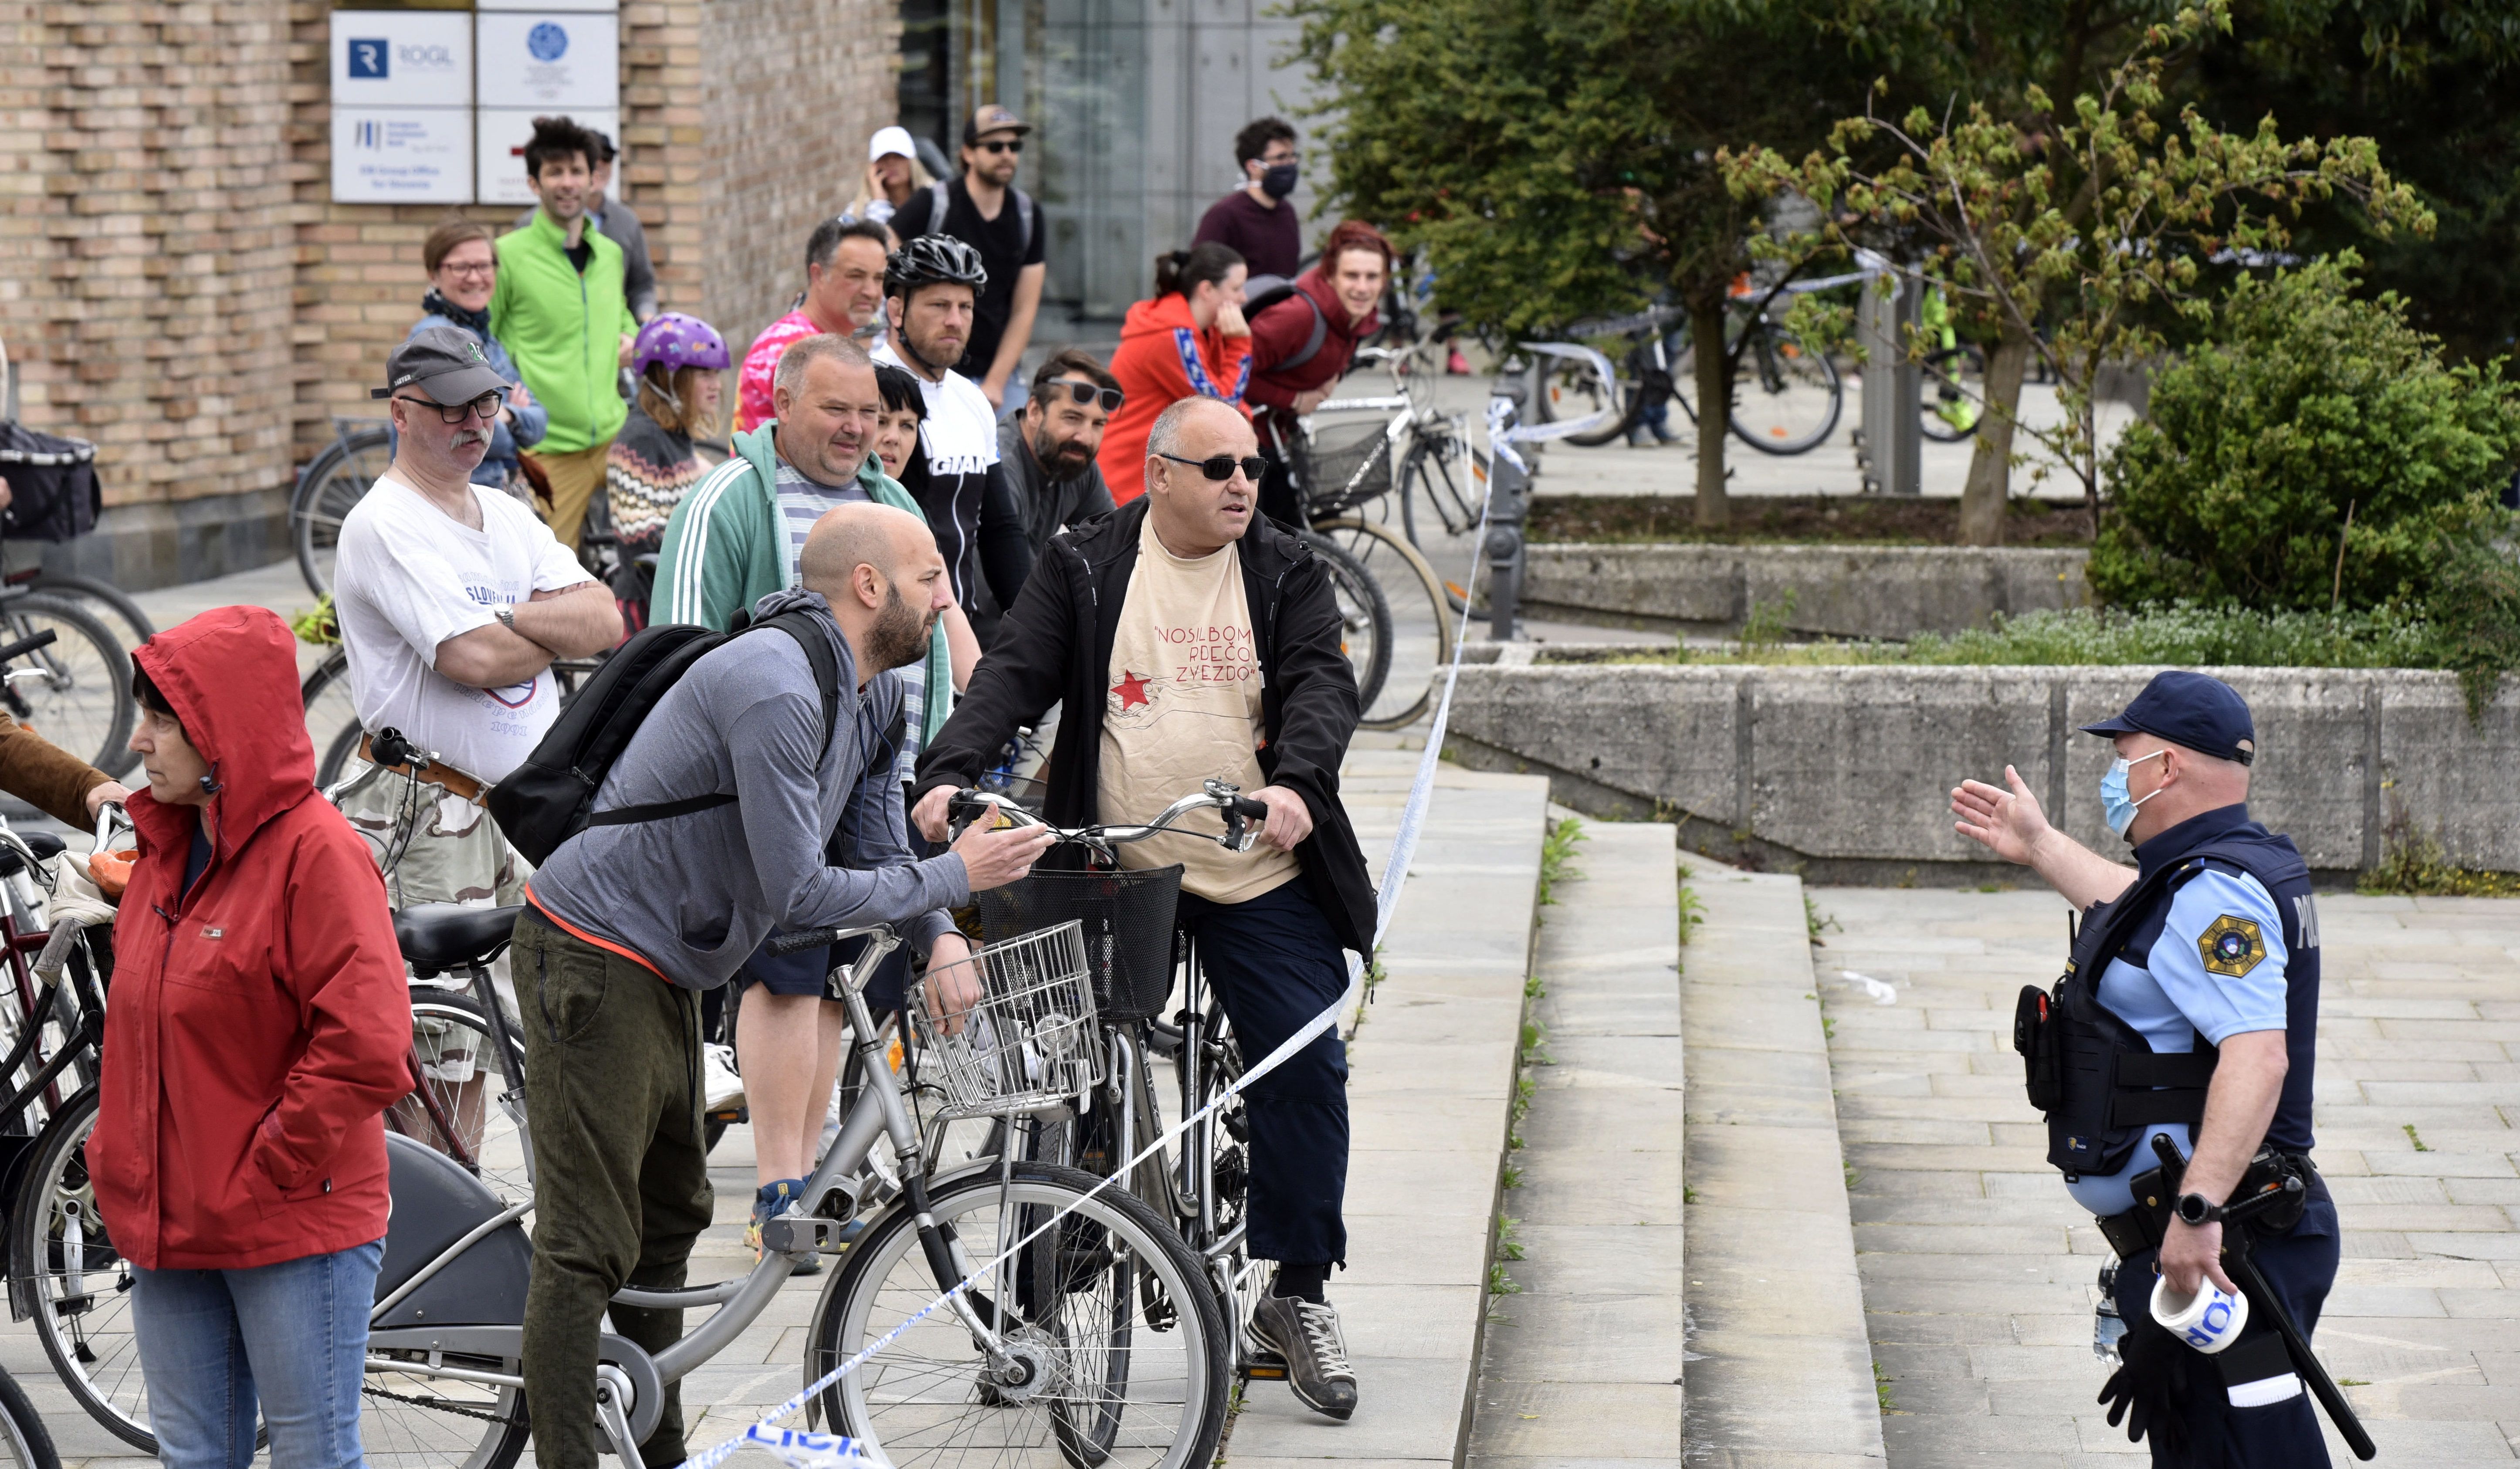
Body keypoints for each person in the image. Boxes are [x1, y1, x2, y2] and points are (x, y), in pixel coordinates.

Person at [511, 504, 1057, 1469]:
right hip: (594, 952)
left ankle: (654, 1443)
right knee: (590, 1237)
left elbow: (877, 840)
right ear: (871, 585)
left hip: (667, 961)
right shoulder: (775, 684)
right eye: (932, 578)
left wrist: (936, 932)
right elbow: (797, 890)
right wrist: (956, 879)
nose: (948, 600)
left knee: (672, 1213)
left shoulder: (878, 691)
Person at [913, 396, 1375, 1423]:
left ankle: (1294, 1290)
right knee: (1064, 1073)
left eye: (1249, 465)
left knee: (1304, 1064)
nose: (1240, 484)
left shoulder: (1289, 568)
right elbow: (1015, 676)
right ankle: (1048, 1292)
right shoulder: (1084, 561)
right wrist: (949, 769)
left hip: (1256, 865)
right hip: (1117, 866)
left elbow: (1319, 686)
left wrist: (1297, 782)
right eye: (1216, 467)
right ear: (1159, 472)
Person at [1951, 670, 2338, 1466]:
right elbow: (2139, 906)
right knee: (2212, 1448)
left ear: (2165, 769)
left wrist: (2195, 1216)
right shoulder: (2218, 870)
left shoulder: (2213, 890)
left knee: (2251, 1454)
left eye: (2123, 756)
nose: (2113, 774)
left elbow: (2257, 1054)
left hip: (2227, 1242)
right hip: (2217, 1233)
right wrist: (2038, 844)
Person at [89, 606, 412, 1469]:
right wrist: (120, 1156)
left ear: (221, 734)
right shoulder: (166, 847)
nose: (141, 743)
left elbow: (369, 1043)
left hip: (291, 1222)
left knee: (312, 1456)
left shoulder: (318, 855)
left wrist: (267, 1163)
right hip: (174, 1219)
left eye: (162, 721)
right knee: (192, 1457)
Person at [333, 328, 623, 910]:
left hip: (521, 811)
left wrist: (502, 617)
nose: (474, 420)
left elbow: (605, 621)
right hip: (430, 812)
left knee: (524, 1000)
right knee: (446, 1001)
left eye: (486, 401)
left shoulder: (504, 511)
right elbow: (473, 658)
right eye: (450, 406)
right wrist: (548, 628)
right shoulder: (385, 522)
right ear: (400, 413)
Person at [492, 114, 640, 552]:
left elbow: (621, 314)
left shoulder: (610, 254)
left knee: (653, 561)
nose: (568, 182)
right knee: (548, 586)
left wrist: (631, 336)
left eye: (577, 171)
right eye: (555, 172)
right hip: (549, 449)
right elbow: (485, 342)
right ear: (535, 184)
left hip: (616, 439)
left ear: (594, 178)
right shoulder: (507, 256)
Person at [873, 237, 1033, 626]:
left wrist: (1036, 628)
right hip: (890, 631)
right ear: (897, 310)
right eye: (939, 306)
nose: (955, 321)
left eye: (965, 307)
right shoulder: (867, 387)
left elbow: (999, 529)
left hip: (960, 627)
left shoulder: (971, 398)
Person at [888, 104, 1046, 413]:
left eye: (1014, 147)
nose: (1007, 155)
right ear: (969, 153)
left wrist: (996, 383)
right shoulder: (934, 202)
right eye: (995, 146)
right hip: (926, 369)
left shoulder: (1028, 215)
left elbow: (1024, 310)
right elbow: (884, 263)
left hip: (996, 376)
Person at [965, 348, 1119, 647]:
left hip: (1024, 624)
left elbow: (1115, 547)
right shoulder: (1002, 463)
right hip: (979, 633)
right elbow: (997, 592)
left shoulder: (1073, 458)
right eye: (1073, 418)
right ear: (1034, 411)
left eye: (1098, 424)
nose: (1086, 437)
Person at [1246, 220, 1391, 527]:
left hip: (1279, 436)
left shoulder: (1358, 319)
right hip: (1244, 441)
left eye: (1372, 277)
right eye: (1352, 276)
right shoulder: (1297, 317)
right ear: (1331, 276)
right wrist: (1295, 399)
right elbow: (1226, 372)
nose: (1363, 288)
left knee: (1302, 544)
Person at [1097, 243, 1251, 502]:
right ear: (1207, 290)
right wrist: (1240, 344)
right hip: (1126, 479)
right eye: (1236, 289)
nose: (1243, 298)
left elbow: (1219, 391)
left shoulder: (1199, 330)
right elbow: (1222, 406)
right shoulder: (1173, 336)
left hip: (1146, 473)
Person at [606, 312, 729, 631]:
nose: (716, 385)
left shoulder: (673, 434)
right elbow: (640, 535)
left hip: (675, 598)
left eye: (716, 373)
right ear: (668, 379)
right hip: (648, 613)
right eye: (704, 374)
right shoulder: (641, 440)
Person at [412, 217, 547, 493]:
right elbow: (469, 435)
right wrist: (512, 421)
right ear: (434, 274)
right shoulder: (437, 339)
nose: (475, 277)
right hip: (450, 499)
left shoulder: (485, 336)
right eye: (461, 267)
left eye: (484, 266)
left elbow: (540, 421)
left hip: (489, 493)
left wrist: (506, 414)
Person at [736, 216, 892, 434]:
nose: (871, 291)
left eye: (879, 278)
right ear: (818, 275)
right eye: (856, 276)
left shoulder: (819, 342)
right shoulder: (788, 347)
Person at [522, 129, 655, 322]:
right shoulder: (520, 237)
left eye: (607, 160)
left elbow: (637, 289)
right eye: (558, 172)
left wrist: (643, 322)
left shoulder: (618, 238)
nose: (601, 166)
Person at [1192, 116, 1303, 281]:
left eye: (1292, 157)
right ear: (1253, 167)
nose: (1290, 164)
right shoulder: (1224, 215)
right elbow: (1200, 276)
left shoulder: (1287, 211)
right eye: (1281, 158)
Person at [846, 124, 933, 228]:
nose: (891, 163)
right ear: (873, 167)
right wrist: (879, 202)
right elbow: (872, 243)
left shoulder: (934, 200)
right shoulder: (858, 211)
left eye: (899, 156)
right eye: (884, 158)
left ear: (912, 163)